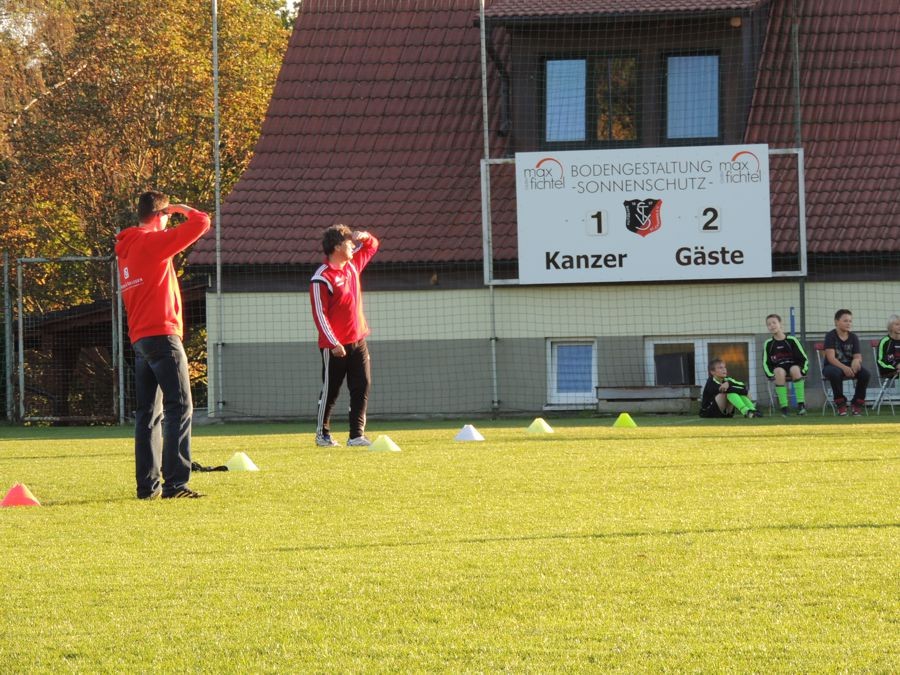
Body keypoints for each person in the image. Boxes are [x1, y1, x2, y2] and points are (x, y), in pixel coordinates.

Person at [115, 191, 211, 499]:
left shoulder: (127, 249)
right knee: (179, 406)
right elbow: (201, 223)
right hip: (163, 336)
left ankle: (148, 487)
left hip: (141, 339)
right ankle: (176, 484)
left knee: (147, 414)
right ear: (160, 216)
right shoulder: (150, 243)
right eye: (167, 216)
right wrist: (183, 208)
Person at [310, 224, 379, 447]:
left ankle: (356, 435)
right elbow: (320, 314)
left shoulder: (351, 265)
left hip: (358, 340)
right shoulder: (322, 277)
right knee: (331, 390)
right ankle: (323, 435)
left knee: (362, 385)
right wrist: (333, 342)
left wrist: (365, 235)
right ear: (338, 246)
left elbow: (372, 246)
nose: (353, 246)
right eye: (349, 242)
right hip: (335, 346)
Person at [822, 308, 870, 416]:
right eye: (845, 321)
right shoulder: (830, 336)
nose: (848, 323)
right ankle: (841, 404)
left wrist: (856, 361)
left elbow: (858, 356)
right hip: (832, 366)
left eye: (850, 321)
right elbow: (831, 358)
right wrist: (844, 368)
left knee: (865, 374)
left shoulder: (853, 337)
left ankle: (856, 403)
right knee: (835, 373)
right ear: (836, 322)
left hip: (849, 366)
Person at [762, 313, 809, 416]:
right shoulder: (768, 343)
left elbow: (803, 357)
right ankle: (784, 408)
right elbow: (766, 362)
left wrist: (803, 370)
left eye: (774, 323)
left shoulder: (792, 340)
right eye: (769, 324)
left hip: (793, 367)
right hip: (779, 369)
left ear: (780, 324)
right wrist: (770, 374)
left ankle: (801, 406)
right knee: (779, 371)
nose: (772, 326)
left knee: (795, 369)